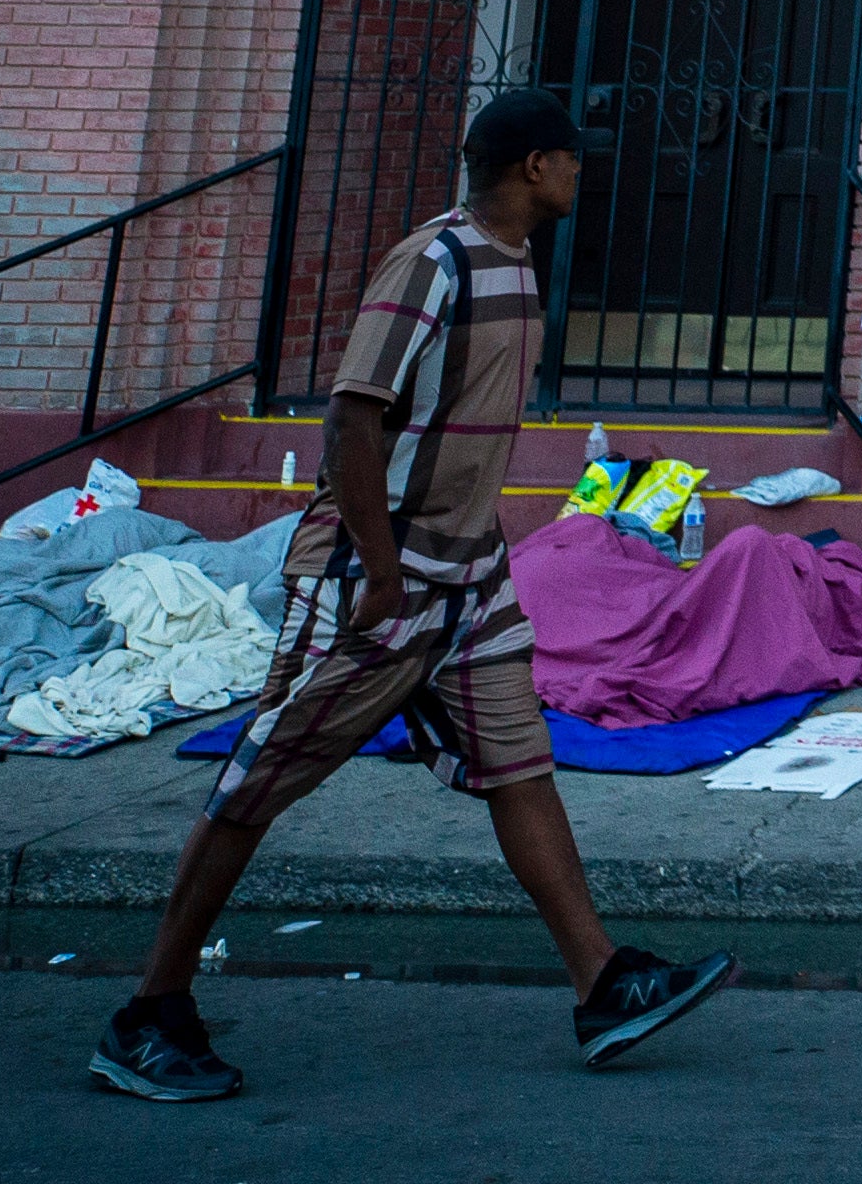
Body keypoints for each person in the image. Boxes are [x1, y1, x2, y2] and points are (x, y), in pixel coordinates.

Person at [94, 88, 737, 1102]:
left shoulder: (515, 264)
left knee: (519, 766)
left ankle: (602, 980)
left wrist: (453, 564)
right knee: (259, 783)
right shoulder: (431, 263)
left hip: (469, 577)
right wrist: (383, 574)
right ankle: (148, 1014)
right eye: (572, 158)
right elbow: (354, 421)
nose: (582, 173)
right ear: (535, 166)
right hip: (375, 576)